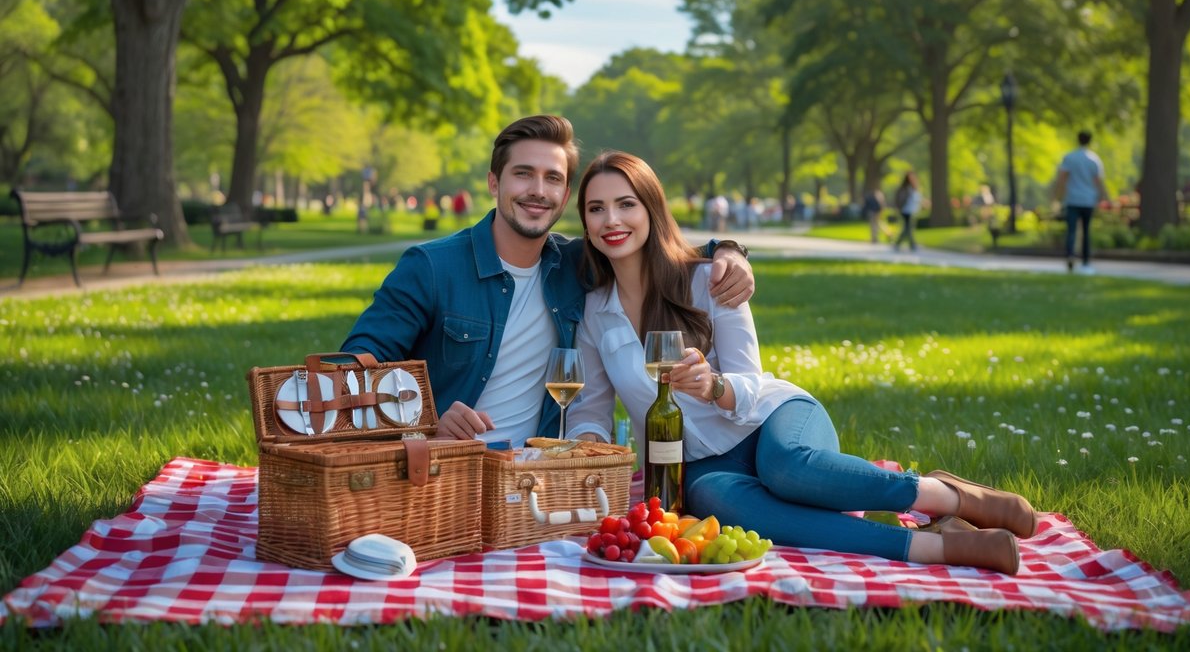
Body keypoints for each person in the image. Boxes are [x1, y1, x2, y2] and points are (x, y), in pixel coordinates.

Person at [566, 151, 1035, 574]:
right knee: (714, 501)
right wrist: (582, 449)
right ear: (585, 221)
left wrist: (713, 386)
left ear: (651, 209)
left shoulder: (710, 278)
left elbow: (749, 377)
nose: (612, 219)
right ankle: (936, 546)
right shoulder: (594, 313)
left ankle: (945, 495)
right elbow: (591, 409)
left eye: (626, 203)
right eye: (596, 208)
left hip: (772, 417)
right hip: (697, 463)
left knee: (786, 468)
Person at [340, 115, 754, 444]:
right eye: (523, 174)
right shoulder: (432, 267)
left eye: (552, 178)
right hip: (445, 470)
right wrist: (424, 419)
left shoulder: (575, 264)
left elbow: (651, 247)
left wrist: (727, 249)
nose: (538, 190)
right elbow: (352, 367)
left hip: (538, 476)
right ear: (493, 182)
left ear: (566, 193)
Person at [1054, 130, 1106, 274]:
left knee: (1071, 230)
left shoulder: (1070, 158)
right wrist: (1102, 197)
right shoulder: (1094, 159)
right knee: (1086, 230)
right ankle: (1085, 260)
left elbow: (1062, 178)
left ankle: (1070, 255)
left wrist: (1057, 196)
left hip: (1072, 198)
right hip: (1088, 199)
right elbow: (1098, 181)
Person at [892, 172, 922, 252]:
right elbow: (900, 199)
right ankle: (911, 245)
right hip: (905, 210)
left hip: (912, 210)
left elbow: (917, 198)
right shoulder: (905, 188)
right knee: (907, 228)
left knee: (908, 228)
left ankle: (904, 244)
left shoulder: (914, 188)